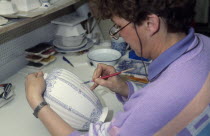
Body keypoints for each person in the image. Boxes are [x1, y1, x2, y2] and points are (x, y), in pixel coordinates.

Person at [25, 0, 210, 135]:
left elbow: (157, 105)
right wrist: (124, 88)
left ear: (150, 23)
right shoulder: (204, 43)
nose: (119, 34)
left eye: (119, 26)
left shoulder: (157, 101)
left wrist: (37, 103)